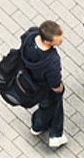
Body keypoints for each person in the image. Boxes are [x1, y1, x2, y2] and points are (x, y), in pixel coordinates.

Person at [20, 20, 67, 148]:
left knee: (51, 105)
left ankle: (46, 130)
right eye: (59, 40)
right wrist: (60, 90)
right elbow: (54, 83)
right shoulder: (52, 61)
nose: (62, 41)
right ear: (47, 42)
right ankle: (51, 133)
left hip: (28, 80)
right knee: (52, 105)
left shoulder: (31, 35)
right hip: (44, 88)